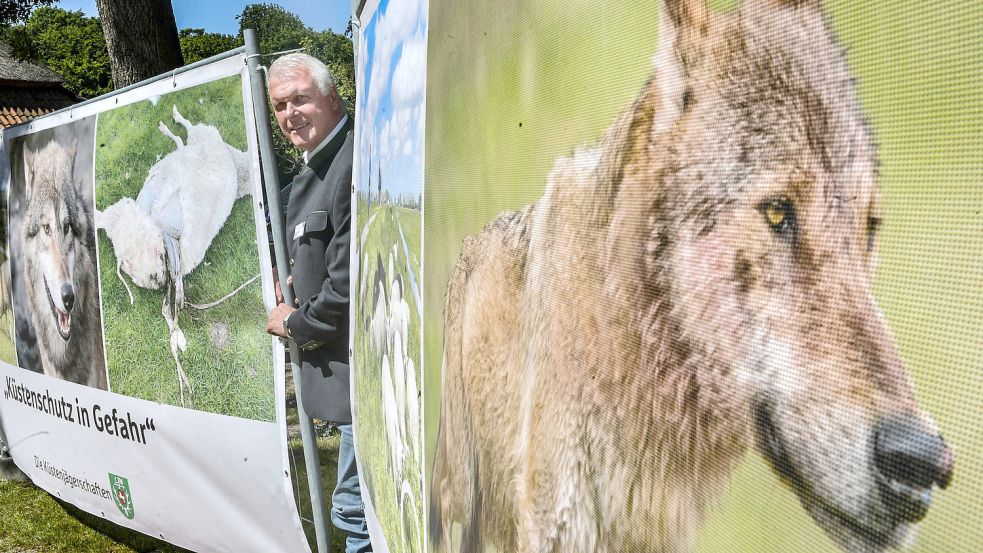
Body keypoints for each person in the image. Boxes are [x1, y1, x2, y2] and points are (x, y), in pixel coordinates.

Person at [264, 53, 370, 553]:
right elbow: (330, 256)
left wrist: (292, 323)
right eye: (281, 105)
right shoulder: (318, 167)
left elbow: (347, 295)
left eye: (301, 99)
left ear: (332, 97)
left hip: (363, 379)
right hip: (342, 381)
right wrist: (298, 276)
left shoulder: (354, 161)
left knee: (358, 513)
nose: (290, 115)